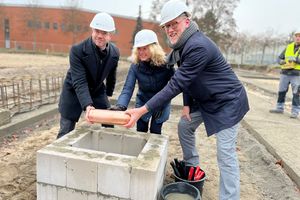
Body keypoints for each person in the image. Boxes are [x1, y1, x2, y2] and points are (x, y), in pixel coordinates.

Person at [123, 0, 249, 199]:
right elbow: (189, 78)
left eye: (175, 24)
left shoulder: (198, 46)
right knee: (184, 126)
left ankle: (230, 197)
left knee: (225, 155)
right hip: (206, 100)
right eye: (167, 26)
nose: (170, 29)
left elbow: (177, 84)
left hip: (227, 102)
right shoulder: (182, 46)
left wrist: (141, 110)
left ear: (187, 22)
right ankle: (192, 168)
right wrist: (187, 106)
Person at [57, 12, 120, 138]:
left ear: (110, 35)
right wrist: (87, 105)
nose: (100, 36)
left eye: (104, 33)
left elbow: (112, 74)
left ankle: (107, 145)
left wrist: (108, 94)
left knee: (108, 120)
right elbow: (80, 81)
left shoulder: (114, 52)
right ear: (92, 30)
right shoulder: (77, 50)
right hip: (74, 91)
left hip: (97, 90)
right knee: (66, 129)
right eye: (97, 31)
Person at [111, 29, 174, 134]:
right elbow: (128, 88)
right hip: (142, 101)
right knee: (140, 131)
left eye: (145, 48)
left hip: (161, 103)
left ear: (154, 48)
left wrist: (164, 104)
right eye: (139, 49)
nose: (141, 52)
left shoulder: (166, 64)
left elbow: (176, 86)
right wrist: (120, 106)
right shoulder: (136, 65)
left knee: (155, 131)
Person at [269, 30, 300, 118]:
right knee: (281, 91)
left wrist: (295, 60)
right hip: (285, 73)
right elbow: (279, 58)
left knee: (296, 93)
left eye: (299, 36)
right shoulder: (289, 47)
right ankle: (279, 108)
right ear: (294, 38)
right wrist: (281, 62)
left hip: (297, 74)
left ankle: (295, 112)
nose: (298, 38)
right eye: (296, 36)